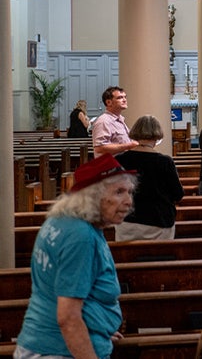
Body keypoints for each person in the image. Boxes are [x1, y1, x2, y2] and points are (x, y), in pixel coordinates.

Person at [16, 154, 136, 359]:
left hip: (47, 343)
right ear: (93, 196)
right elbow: (68, 318)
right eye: (119, 192)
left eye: (130, 192)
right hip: (58, 350)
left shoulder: (61, 221)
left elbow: (61, 288)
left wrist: (97, 327)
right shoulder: (81, 237)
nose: (128, 201)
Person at [114, 115, 183, 241]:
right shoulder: (165, 162)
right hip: (159, 221)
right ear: (157, 136)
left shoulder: (120, 160)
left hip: (127, 221)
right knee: (160, 259)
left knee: (128, 259)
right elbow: (178, 194)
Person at [92, 86, 137, 156]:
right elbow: (99, 148)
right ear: (109, 102)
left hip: (122, 164)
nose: (124, 100)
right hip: (111, 165)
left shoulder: (120, 120)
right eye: (120, 98)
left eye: (125, 97)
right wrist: (128, 146)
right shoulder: (104, 121)